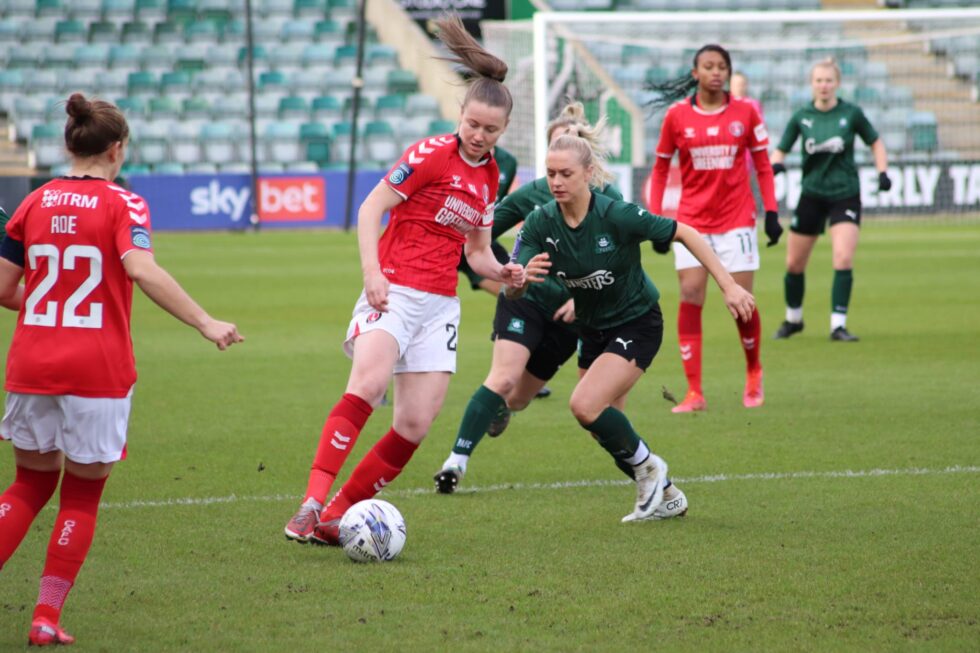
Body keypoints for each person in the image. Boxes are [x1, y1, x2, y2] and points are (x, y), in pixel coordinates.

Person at [283, 14, 537, 545]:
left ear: (503, 130)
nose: (479, 135)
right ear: (460, 114)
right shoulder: (430, 154)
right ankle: (310, 504)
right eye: (473, 124)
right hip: (394, 288)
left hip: (440, 305)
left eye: (490, 130)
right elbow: (370, 207)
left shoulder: (490, 175)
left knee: (415, 424)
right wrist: (372, 273)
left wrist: (505, 272)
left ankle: (335, 517)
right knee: (368, 384)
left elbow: (477, 252)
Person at [0, 93, 243, 646]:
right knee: (81, 498)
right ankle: (45, 617)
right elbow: (141, 269)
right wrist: (204, 321)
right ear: (116, 149)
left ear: (70, 144)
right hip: (97, 370)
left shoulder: (33, 202)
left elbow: (4, 289)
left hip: (32, 364)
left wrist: (50, 302)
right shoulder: (124, 204)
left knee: (27, 486)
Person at [511, 131, 756, 522]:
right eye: (550, 173)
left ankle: (650, 470)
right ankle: (668, 495)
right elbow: (514, 284)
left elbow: (685, 232)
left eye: (565, 173)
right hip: (593, 330)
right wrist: (519, 280)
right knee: (603, 427)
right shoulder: (541, 222)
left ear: (588, 173)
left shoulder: (615, 215)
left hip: (637, 322)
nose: (555, 182)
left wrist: (728, 286)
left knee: (584, 405)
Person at [433, 101, 623, 494]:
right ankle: (455, 463)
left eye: (569, 149)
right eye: (554, 150)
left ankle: (500, 409)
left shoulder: (608, 198)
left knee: (518, 399)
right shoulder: (531, 195)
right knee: (503, 377)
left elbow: (624, 259)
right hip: (524, 298)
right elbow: (478, 232)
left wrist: (585, 298)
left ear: (585, 158)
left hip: (571, 319)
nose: (558, 170)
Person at [647, 44, 782, 414]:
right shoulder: (676, 116)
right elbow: (660, 169)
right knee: (690, 294)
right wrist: (656, 219)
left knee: (741, 301)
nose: (716, 72)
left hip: (737, 219)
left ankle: (753, 372)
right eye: (708, 66)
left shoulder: (746, 112)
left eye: (722, 66)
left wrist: (771, 211)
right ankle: (694, 392)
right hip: (692, 222)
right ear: (696, 73)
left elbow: (763, 165)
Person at [770, 57, 891, 342]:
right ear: (811, 84)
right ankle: (793, 319)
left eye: (828, 80)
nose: (823, 85)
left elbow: (875, 142)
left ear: (837, 83)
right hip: (811, 193)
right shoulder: (801, 116)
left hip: (844, 194)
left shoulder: (852, 114)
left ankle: (838, 325)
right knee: (794, 264)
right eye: (819, 80)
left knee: (843, 257)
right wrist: (775, 165)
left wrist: (883, 172)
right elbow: (781, 149)